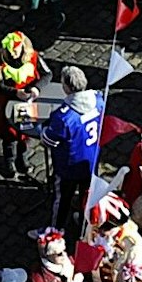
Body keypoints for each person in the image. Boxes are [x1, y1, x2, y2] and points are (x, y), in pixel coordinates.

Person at [37, 66, 102, 237]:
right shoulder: (98, 100)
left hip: (69, 167)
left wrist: (40, 128)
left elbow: (49, 140)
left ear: (66, 87)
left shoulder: (64, 117)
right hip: (91, 162)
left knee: (62, 200)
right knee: (86, 197)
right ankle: (84, 224)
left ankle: (55, 231)